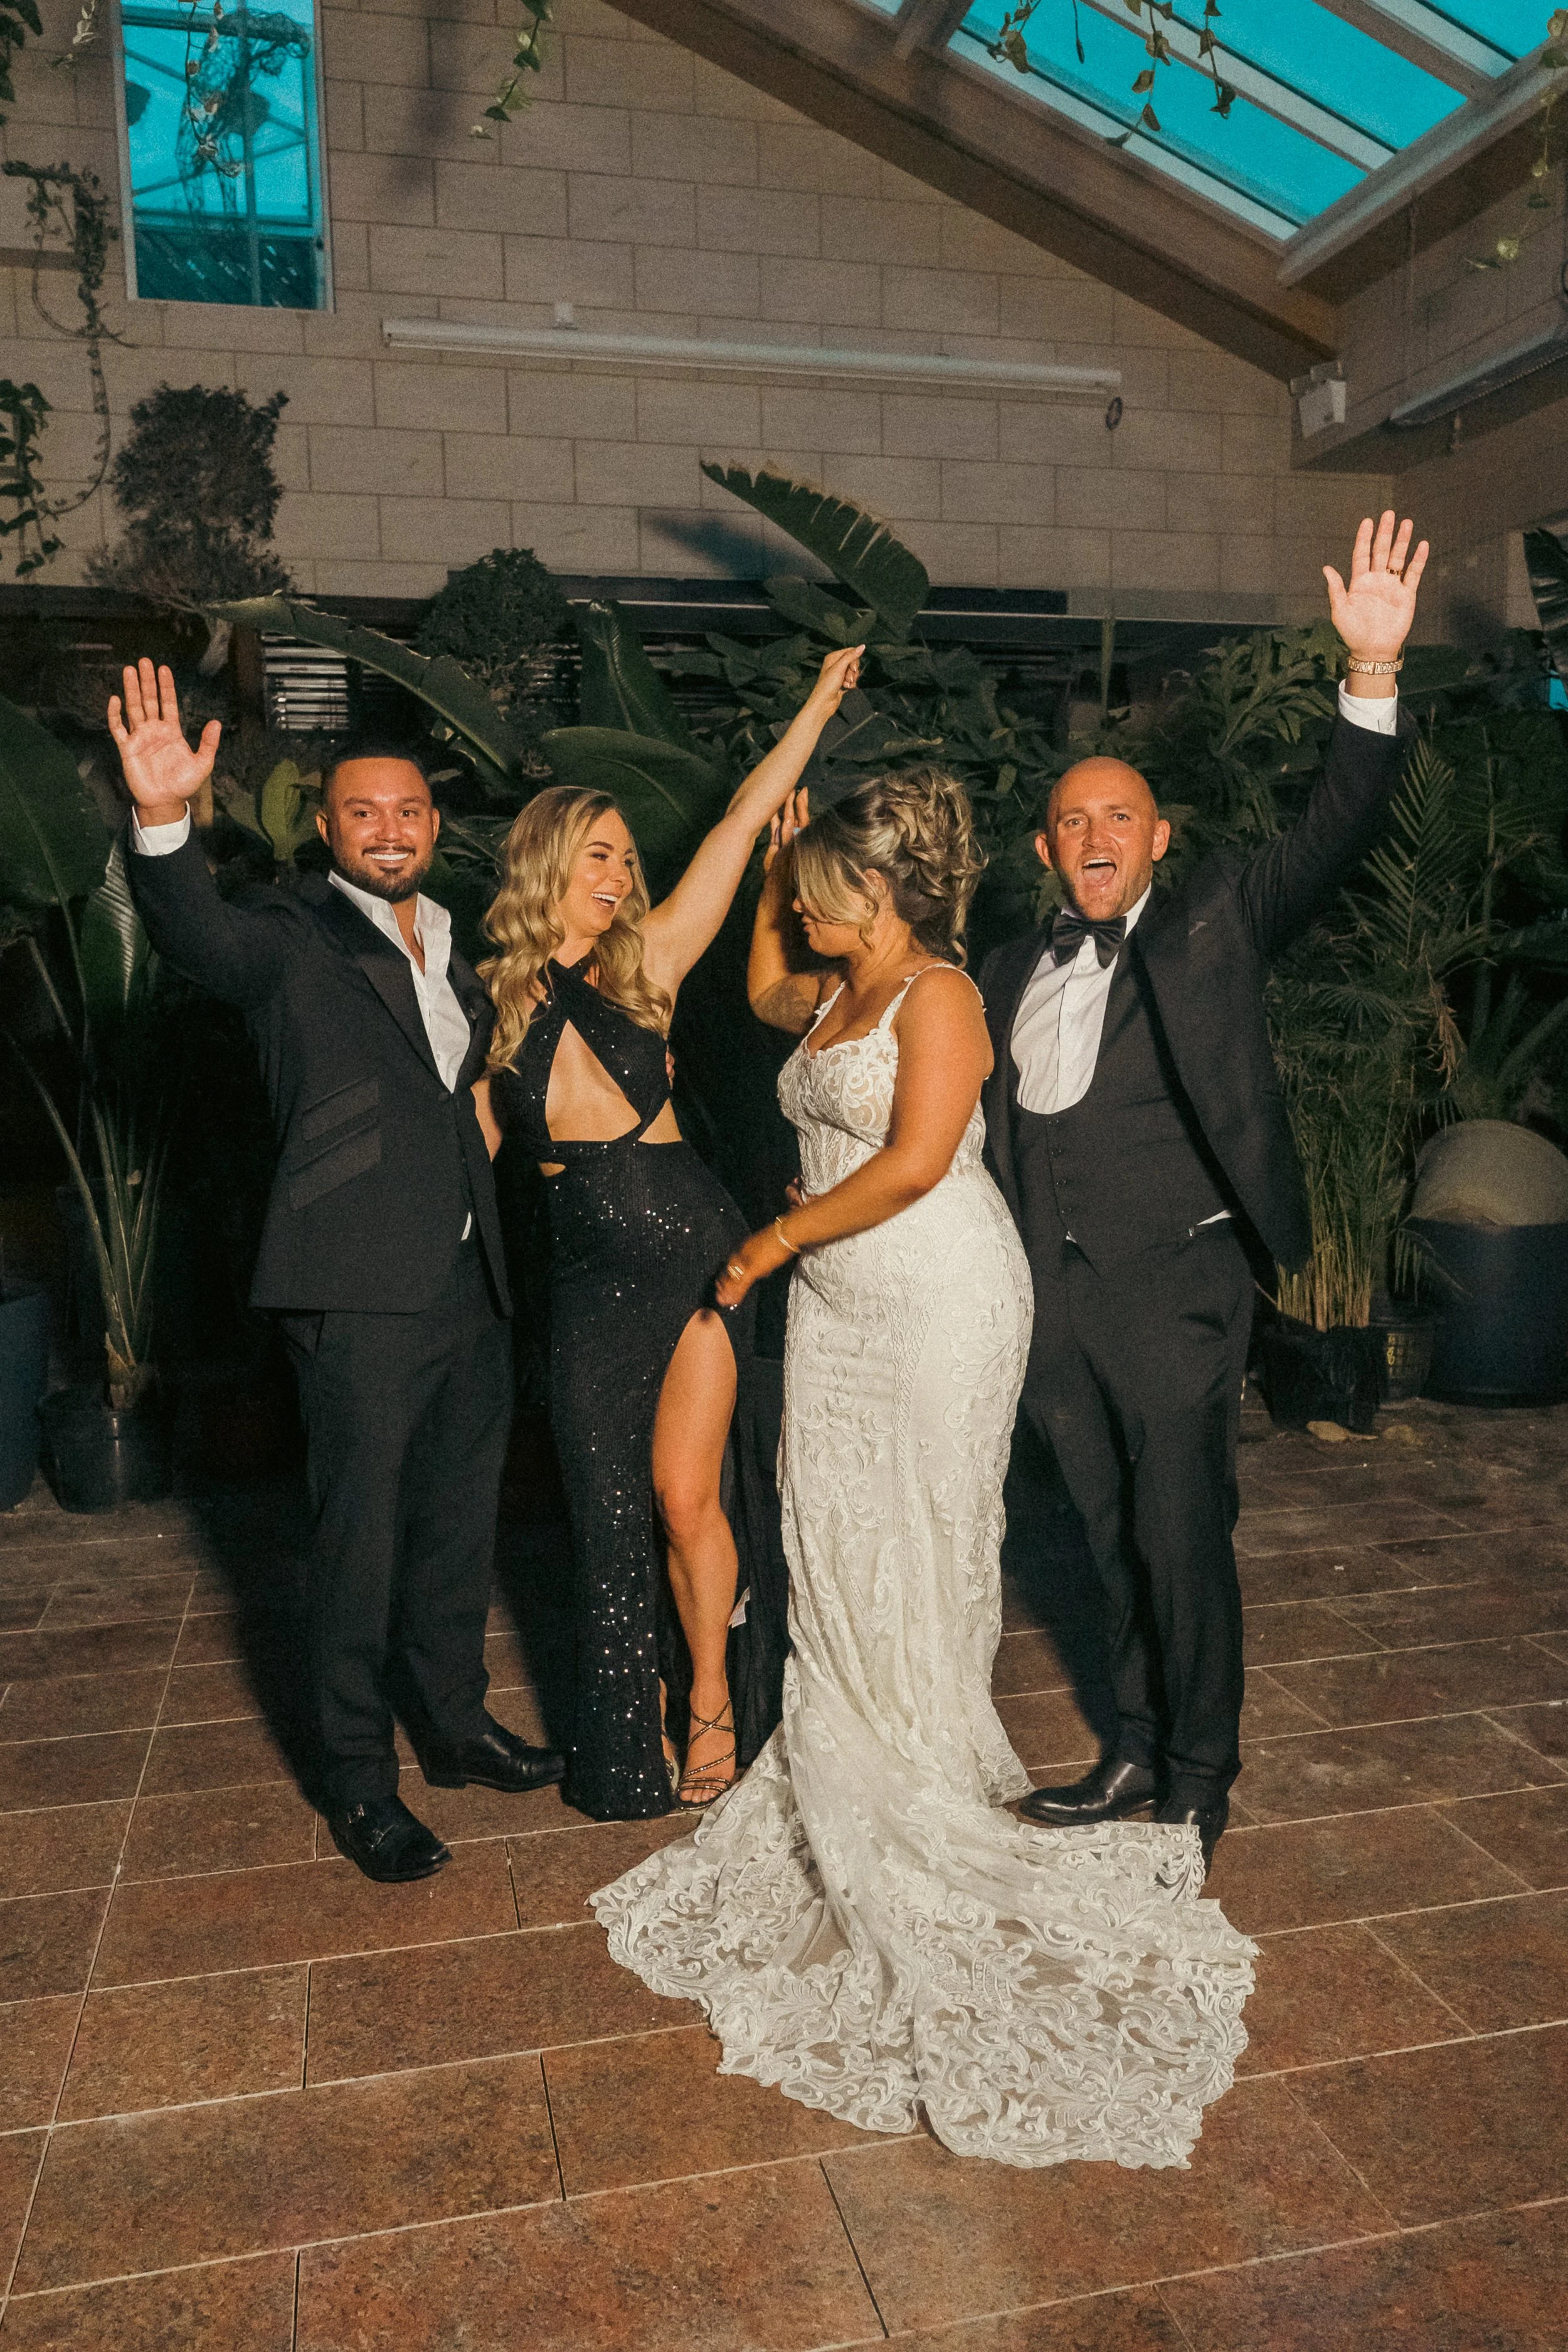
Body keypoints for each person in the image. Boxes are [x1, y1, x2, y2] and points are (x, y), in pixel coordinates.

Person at [592, 765, 1256, 2169]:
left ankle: (929, 1773)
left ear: (883, 893)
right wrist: (777, 878)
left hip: (938, 1295)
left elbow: (908, 1164)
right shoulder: (828, 985)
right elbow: (764, 993)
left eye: (832, 888)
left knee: (922, 1537)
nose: (811, 912)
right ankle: (845, 1747)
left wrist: (769, 1243)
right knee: (829, 1538)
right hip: (839, 1310)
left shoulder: (942, 994)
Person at [981, 512, 1427, 1867]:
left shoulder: (1218, 919)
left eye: (1117, 813)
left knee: (1180, 1533)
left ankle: (1196, 1774)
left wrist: (1368, 674)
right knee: (1098, 1537)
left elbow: (1336, 823)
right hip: (1043, 1293)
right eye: (1071, 821)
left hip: (1172, 1282)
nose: (1092, 832)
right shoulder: (1004, 964)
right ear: (1048, 854)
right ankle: (1125, 1744)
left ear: (1157, 838)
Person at [110, 663, 564, 1885]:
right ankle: (362, 1785)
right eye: (363, 812)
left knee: (458, 1532)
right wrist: (163, 826)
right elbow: (195, 933)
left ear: (432, 825)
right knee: (357, 1546)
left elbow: (457, 1100)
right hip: (355, 1295)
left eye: (407, 812)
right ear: (327, 828)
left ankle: (457, 1725)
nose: (389, 829)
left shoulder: (456, 945)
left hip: (471, 1291)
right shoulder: (289, 942)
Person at [474, 646, 864, 1822]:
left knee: (688, 1500)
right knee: (603, 1519)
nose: (624, 871)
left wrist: (815, 708)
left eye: (629, 857)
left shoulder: (647, 962)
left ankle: (708, 1699)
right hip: (591, 1288)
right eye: (601, 853)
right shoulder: (487, 1011)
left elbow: (745, 819)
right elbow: (460, 1165)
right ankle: (622, 1730)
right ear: (548, 863)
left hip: (698, 1260)